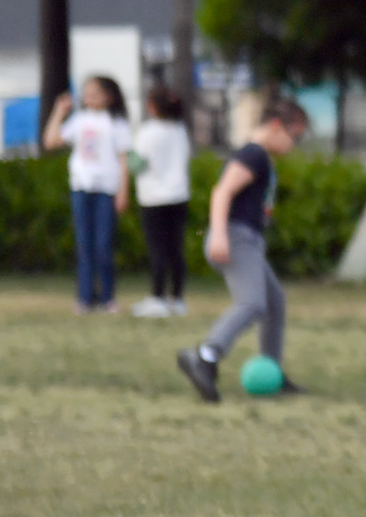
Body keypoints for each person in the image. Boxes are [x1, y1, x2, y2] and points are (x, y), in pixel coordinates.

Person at [177, 96, 310, 404]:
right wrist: (220, 234)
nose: (294, 144)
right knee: (252, 304)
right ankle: (205, 356)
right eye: (295, 135)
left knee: (274, 303)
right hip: (237, 237)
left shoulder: (260, 157)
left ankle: (272, 371)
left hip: (247, 239)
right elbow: (222, 191)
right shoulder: (254, 154)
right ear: (276, 126)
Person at [45, 77, 132, 315]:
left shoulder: (117, 123)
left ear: (109, 96)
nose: (90, 97)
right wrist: (59, 112)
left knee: (103, 245)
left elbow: (124, 160)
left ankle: (107, 297)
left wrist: (123, 191)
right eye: (87, 92)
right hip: (81, 187)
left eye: (96, 92)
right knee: (84, 246)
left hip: (106, 188)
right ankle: (85, 298)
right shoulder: (79, 121)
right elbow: (51, 141)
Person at [131, 87, 194, 317]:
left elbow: (135, 164)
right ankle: (177, 298)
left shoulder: (148, 131)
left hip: (153, 197)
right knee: (175, 249)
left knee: (157, 249)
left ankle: (157, 297)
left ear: (152, 106)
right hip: (179, 195)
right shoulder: (180, 130)